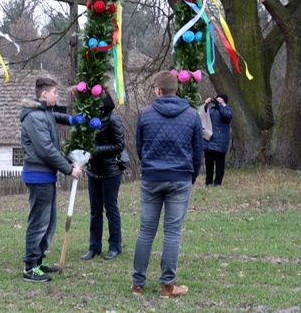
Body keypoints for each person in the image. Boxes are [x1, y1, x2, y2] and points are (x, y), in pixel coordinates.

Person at [131, 70, 202, 298]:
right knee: (172, 233)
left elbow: (139, 147)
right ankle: (167, 286)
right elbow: (197, 151)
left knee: (146, 231)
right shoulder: (192, 115)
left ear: (158, 90)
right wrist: (190, 177)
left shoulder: (145, 113)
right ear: (176, 89)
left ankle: (138, 284)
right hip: (180, 178)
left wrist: (150, 167)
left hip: (152, 177)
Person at [20, 77, 82, 282]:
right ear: (44, 94)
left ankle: (38, 261)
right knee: (39, 221)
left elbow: (51, 148)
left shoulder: (44, 114)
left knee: (48, 221)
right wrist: (67, 169)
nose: (58, 95)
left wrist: (67, 162)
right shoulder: (36, 117)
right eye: (55, 91)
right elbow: (45, 149)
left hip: (46, 175)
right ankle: (30, 268)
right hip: (38, 175)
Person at [81, 90, 126, 261]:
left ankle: (115, 246)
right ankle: (94, 247)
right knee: (95, 210)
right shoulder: (90, 119)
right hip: (94, 170)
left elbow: (119, 145)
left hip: (110, 170)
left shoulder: (113, 120)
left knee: (111, 208)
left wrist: (95, 151)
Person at [203, 94, 233, 187]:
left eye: (220, 100)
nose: (218, 101)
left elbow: (226, 115)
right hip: (209, 139)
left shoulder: (227, 109)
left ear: (224, 101)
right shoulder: (211, 110)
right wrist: (205, 105)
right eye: (217, 99)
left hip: (221, 140)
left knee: (219, 164)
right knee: (209, 163)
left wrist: (219, 105)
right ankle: (208, 182)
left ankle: (217, 182)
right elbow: (202, 117)